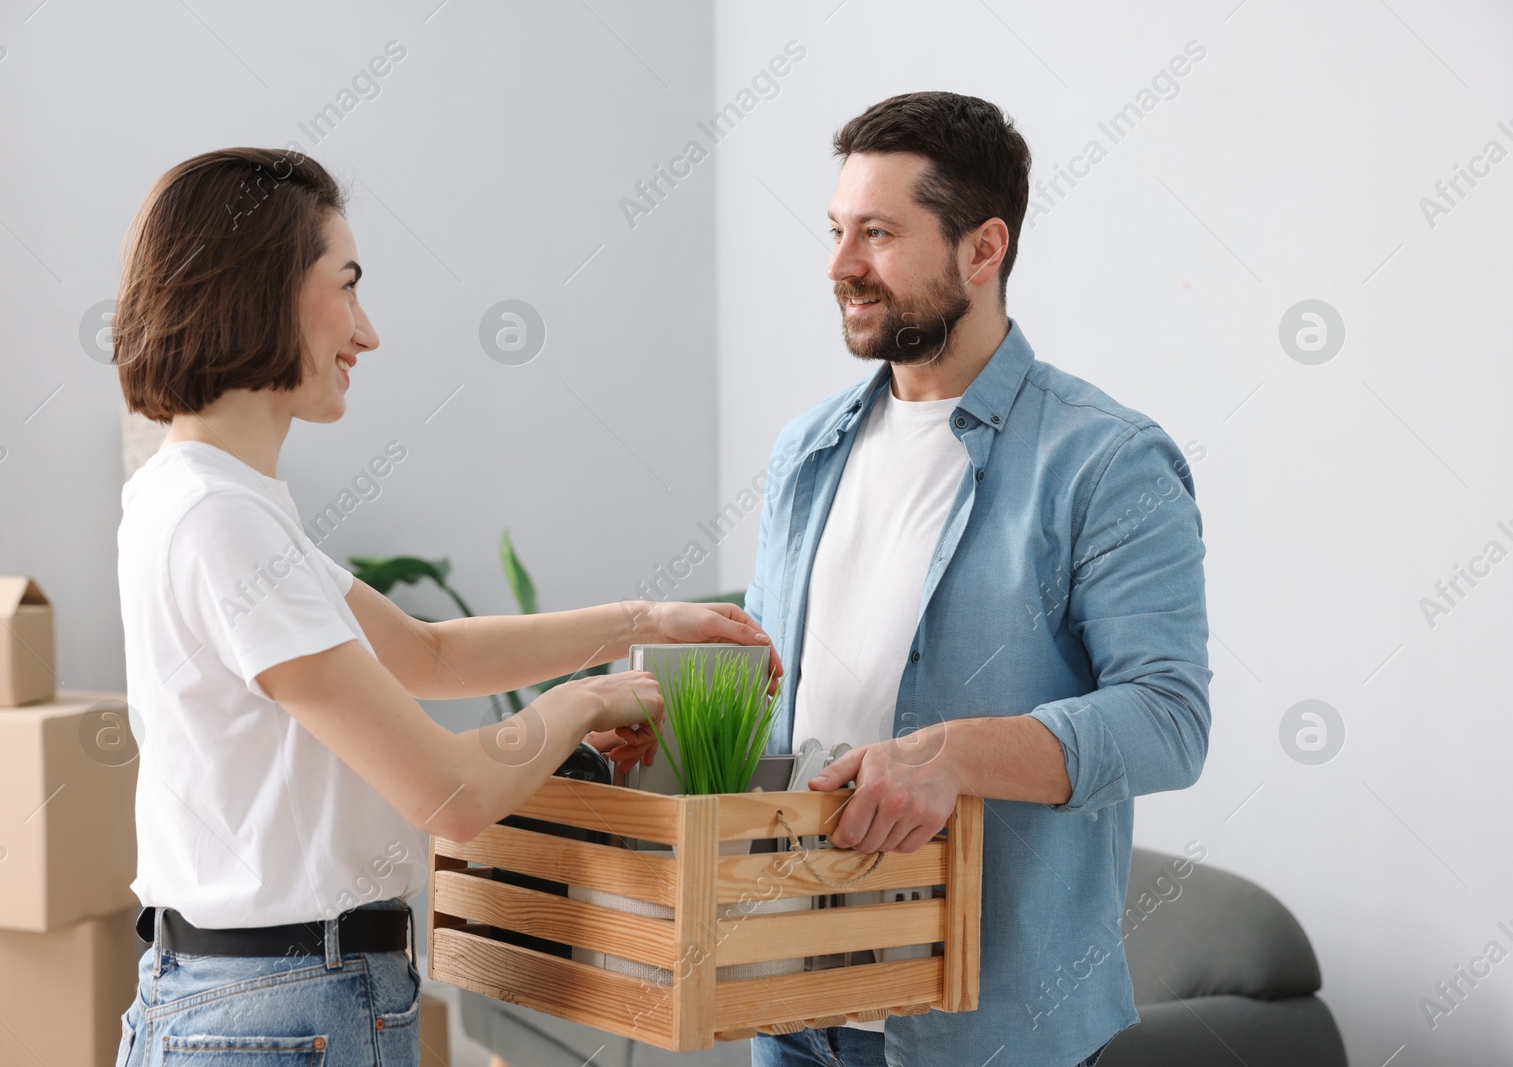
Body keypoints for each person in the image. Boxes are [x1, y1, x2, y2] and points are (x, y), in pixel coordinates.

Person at [110, 147, 777, 1066]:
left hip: (258, 1001)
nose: (367, 332)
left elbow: (426, 654)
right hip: (285, 1009)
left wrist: (645, 621)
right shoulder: (224, 522)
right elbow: (450, 794)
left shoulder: (200, 495)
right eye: (346, 285)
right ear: (262, 288)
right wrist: (587, 700)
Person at [745, 93, 1211, 1067]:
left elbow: (1166, 719)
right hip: (795, 1008)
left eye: (876, 233)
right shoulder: (804, 452)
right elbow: (778, 698)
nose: (838, 266)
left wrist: (953, 754)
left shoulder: (1104, 461)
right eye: (836, 230)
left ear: (981, 248)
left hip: (988, 1031)